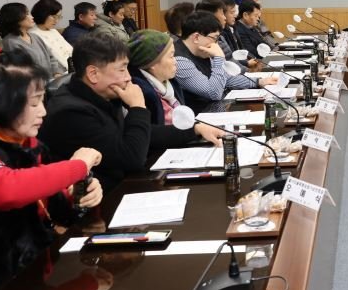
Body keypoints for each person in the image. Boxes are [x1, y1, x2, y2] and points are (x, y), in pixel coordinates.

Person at [39, 33, 220, 193]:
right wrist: (137, 107)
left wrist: (194, 130)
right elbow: (132, 157)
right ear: (93, 74)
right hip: (103, 200)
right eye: (121, 69)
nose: (128, 77)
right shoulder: (71, 112)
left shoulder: (101, 94)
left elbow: (142, 134)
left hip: (123, 187)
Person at [0, 55, 103, 290]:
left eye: (43, 100)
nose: (43, 111)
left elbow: (56, 209)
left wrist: (80, 194)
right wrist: (78, 166)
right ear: (1, 105)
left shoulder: (31, 146)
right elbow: (7, 190)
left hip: (34, 277)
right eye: (33, 104)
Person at [127, 29, 228, 143]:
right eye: (171, 56)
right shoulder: (139, 91)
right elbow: (148, 135)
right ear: (152, 63)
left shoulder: (170, 82)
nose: (175, 61)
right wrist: (195, 130)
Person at [174, 11, 277, 113]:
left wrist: (258, 82)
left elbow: (226, 79)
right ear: (196, 37)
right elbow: (213, 93)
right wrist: (219, 58)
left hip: (217, 109)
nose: (216, 44)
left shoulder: (202, 51)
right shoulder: (180, 61)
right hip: (202, 116)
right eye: (215, 38)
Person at [0, 3, 65, 78]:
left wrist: (56, 73)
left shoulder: (35, 37)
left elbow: (51, 58)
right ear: (15, 17)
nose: (32, 17)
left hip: (51, 80)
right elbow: (21, 71)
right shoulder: (10, 42)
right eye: (27, 14)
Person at [30, 0, 72, 72]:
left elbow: (69, 50)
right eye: (54, 17)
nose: (57, 21)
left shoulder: (53, 31)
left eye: (59, 17)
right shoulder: (33, 35)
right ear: (43, 14)